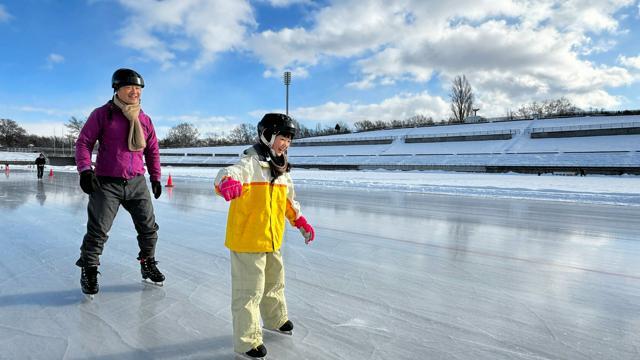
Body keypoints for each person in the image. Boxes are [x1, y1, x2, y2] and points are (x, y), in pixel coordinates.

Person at [214, 113, 316, 359]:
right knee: (248, 292)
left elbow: (288, 203)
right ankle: (247, 341)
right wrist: (226, 183)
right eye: (282, 137)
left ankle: (275, 318)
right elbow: (228, 173)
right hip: (248, 240)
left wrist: (300, 221)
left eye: (289, 140)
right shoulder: (250, 164)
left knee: (274, 283)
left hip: (272, 239)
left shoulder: (282, 171)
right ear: (268, 135)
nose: (286, 144)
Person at [74, 68, 165, 298]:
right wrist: (85, 170)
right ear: (117, 89)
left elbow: (152, 150)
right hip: (107, 183)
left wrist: (155, 177)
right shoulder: (103, 114)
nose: (135, 91)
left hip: (136, 182)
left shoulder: (144, 119)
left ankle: (147, 262)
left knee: (149, 229)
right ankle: (90, 268)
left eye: (138, 88)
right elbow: (84, 142)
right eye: (129, 87)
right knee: (98, 230)